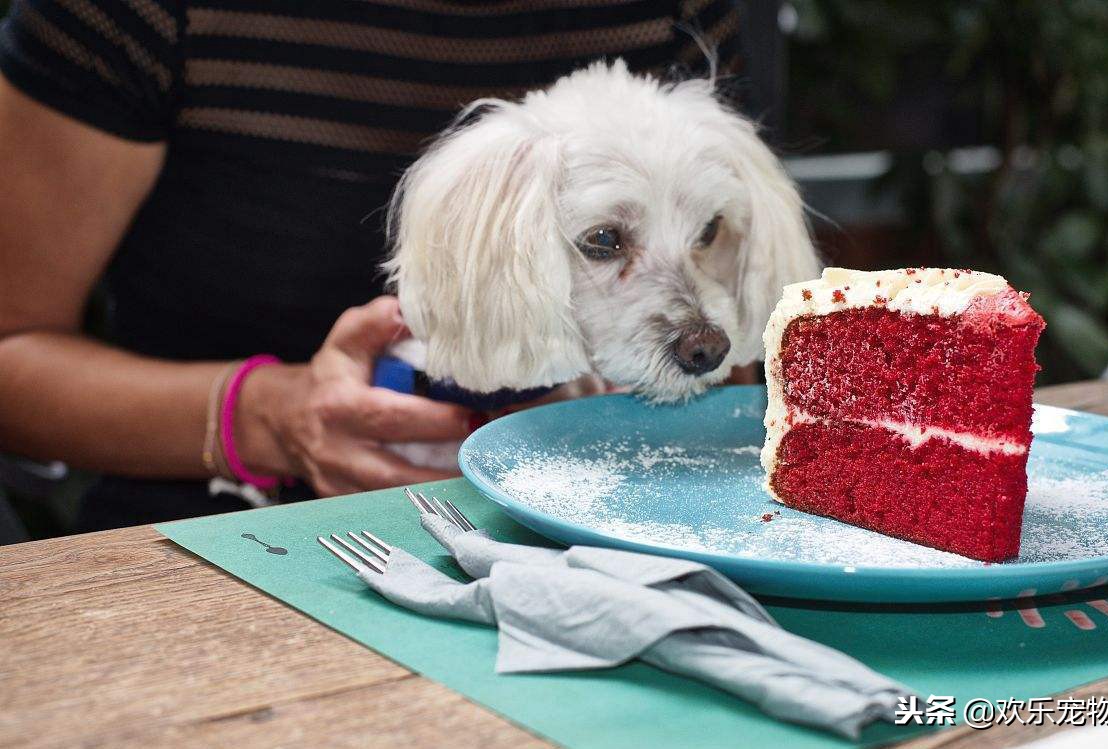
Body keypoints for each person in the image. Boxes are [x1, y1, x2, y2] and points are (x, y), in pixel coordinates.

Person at [0, 0, 742, 531]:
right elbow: (12, 350)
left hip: (602, 525)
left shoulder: (668, 14)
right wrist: (266, 419)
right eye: (605, 241)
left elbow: (744, 299)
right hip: (215, 532)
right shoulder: (131, 16)